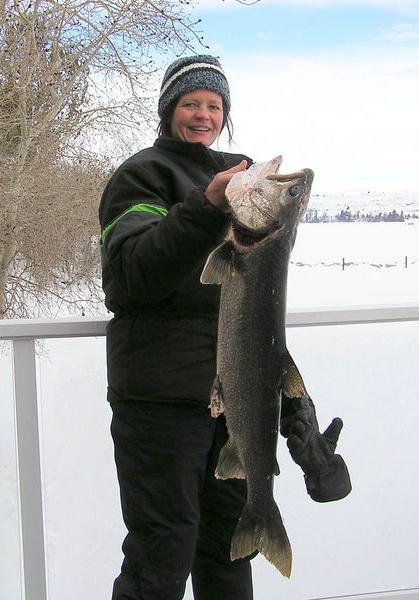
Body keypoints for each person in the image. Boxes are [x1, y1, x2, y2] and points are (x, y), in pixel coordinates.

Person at [99, 54, 351, 600]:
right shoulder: (143, 174)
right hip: (161, 403)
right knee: (160, 553)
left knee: (228, 555)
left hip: (233, 409)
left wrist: (303, 436)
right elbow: (130, 275)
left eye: (214, 105)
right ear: (169, 110)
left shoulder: (239, 174)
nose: (203, 114)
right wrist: (207, 207)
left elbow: (262, 326)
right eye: (190, 103)